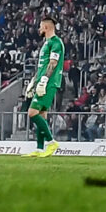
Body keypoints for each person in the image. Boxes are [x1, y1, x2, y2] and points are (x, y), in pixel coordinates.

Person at [26, 16, 67, 153]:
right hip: (42, 81)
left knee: (32, 113)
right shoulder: (46, 43)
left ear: (46, 27)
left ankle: (51, 142)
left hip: (49, 82)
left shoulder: (56, 42)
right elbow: (42, 65)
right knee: (42, 114)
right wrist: (34, 81)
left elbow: (53, 63)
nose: (39, 29)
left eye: (40, 26)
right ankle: (39, 149)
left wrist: (44, 80)